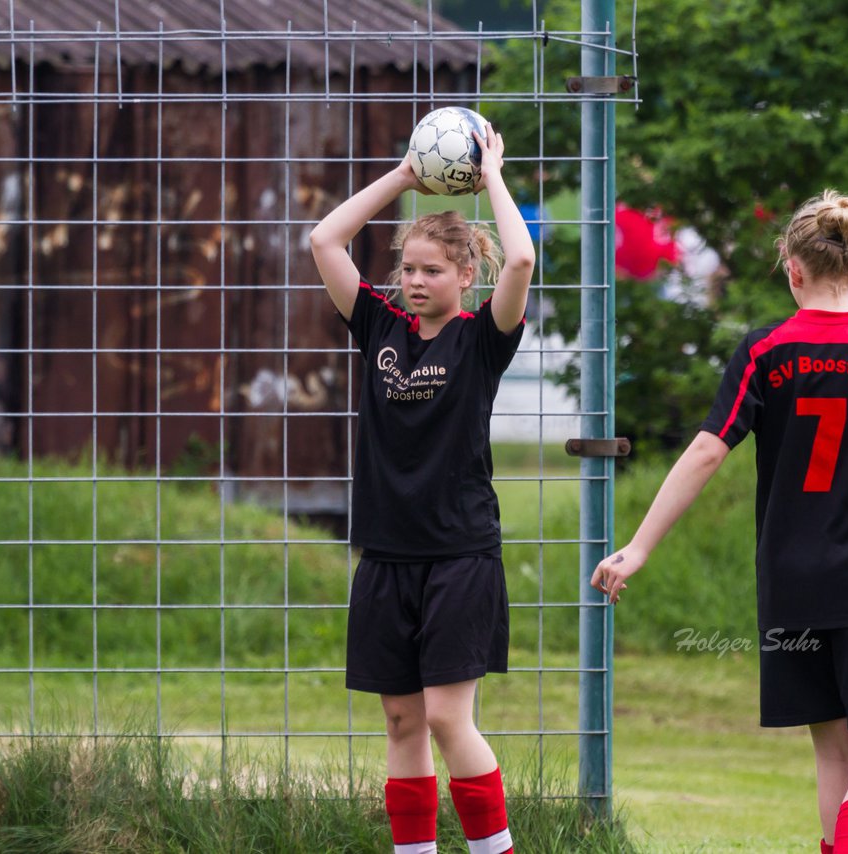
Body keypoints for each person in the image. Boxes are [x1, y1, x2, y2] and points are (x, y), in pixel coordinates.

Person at [592, 190, 848, 854]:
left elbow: (706, 450)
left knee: (833, 753)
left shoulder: (764, 349)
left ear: (792, 267)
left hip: (789, 584)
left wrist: (637, 547)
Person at [309, 121, 534, 854]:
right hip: (385, 556)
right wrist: (406, 175)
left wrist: (491, 172)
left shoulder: (481, 340)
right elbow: (323, 241)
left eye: (431, 270)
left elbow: (523, 256)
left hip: (460, 555)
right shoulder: (377, 323)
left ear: (464, 277)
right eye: (407, 268)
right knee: (402, 723)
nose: (413, 280)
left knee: (445, 718)